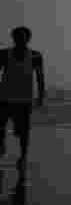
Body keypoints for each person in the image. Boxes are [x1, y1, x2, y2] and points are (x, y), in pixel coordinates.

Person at [0, 26, 46, 176]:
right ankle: (1, 146)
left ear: (28, 38)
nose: (20, 39)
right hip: (4, 99)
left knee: (23, 132)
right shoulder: (4, 54)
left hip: (24, 100)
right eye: (17, 36)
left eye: (23, 36)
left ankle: (23, 156)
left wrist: (40, 96)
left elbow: (40, 77)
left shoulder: (35, 56)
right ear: (13, 38)